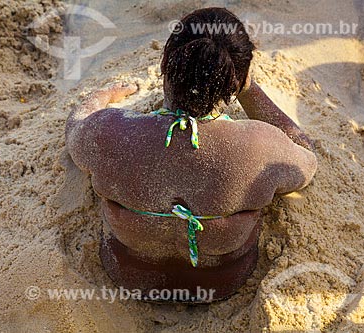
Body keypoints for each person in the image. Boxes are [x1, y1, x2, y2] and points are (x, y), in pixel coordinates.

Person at [65, 7, 317, 302]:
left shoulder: (110, 135)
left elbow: (75, 127)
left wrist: (104, 96)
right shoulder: (261, 147)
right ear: (238, 79)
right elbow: (306, 158)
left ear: (164, 62)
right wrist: (250, 91)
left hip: (128, 279)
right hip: (222, 286)